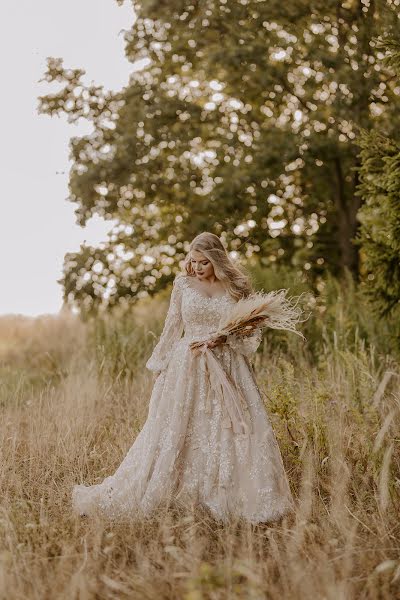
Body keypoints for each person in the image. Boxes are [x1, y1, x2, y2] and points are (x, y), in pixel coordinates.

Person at [72, 232, 295, 523]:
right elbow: (172, 326)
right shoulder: (183, 284)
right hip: (186, 364)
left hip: (227, 365)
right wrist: (160, 365)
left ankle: (229, 495)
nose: (198, 268)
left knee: (232, 428)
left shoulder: (237, 286)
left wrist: (225, 338)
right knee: (179, 429)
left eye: (205, 262)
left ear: (218, 259)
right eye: (193, 261)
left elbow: (250, 334)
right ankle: (177, 493)